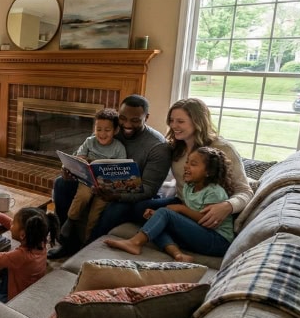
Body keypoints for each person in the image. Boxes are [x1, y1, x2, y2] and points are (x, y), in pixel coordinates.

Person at [49, 94, 171, 258]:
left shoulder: (158, 146)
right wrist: (69, 168)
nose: (127, 125)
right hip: (95, 183)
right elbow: (82, 152)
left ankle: (88, 250)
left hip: (129, 194)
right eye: (123, 118)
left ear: (146, 118)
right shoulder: (111, 128)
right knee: (61, 184)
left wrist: (117, 196)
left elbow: (149, 189)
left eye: (135, 120)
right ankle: (67, 243)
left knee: (114, 208)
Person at [106, 146, 236, 260]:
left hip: (217, 241)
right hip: (200, 236)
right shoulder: (189, 187)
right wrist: (156, 215)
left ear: (209, 172)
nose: (186, 166)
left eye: (193, 164)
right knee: (155, 222)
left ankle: (135, 242)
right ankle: (178, 254)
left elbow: (208, 221)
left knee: (164, 213)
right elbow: (191, 213)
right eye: (187, 162)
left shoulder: (214, 192)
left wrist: (181, 209)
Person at [142, 97, 253, 229]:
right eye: (171, 121)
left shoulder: (223, 149)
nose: (173, 126)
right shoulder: (174, 146)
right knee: (139, 207)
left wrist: (227, 206)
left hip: (206, 211)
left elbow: (245, 191)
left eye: (180, 121)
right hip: (182, 202)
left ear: (197, 122)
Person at [60, 108, 126, 247]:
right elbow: (79, 157)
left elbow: (122, 169)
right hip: (88, 179)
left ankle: (87, 241)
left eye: (107, 130)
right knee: (83, 195)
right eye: (99, 129)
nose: (102, 134)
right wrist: (82, 160)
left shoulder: (119, 148)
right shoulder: (90, 141)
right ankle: (71, 220)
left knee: (95, 213)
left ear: (115, 130)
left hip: (105, 186)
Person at [0, 206, 58, 302]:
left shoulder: (21, 256)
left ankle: (1, 296)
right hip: (24, 288)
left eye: (13, 223)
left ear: (22, 235)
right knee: (7, 266)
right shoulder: (39, 241)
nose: (11, 224)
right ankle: (0, 291)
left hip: (16, 300)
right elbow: (11, 224)